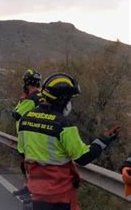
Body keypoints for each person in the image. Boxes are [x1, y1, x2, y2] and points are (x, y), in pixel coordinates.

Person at [17, 73, 121, 210]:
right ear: (62, 99)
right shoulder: (63, 125)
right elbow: (83, 157)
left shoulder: (25, 119)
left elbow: (22, 152)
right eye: (70, 99)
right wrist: (104, 140)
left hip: (36, 190)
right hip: (58, 193)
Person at [11, 69, 43, 201]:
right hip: (37, 136)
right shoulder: (42, 95)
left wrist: (19, 104)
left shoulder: (31, 99)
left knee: (28, 165)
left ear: (26, 83)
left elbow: (16, 114)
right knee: (30, 164)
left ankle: (32, 192)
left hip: (27, 136)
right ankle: (28, 188)